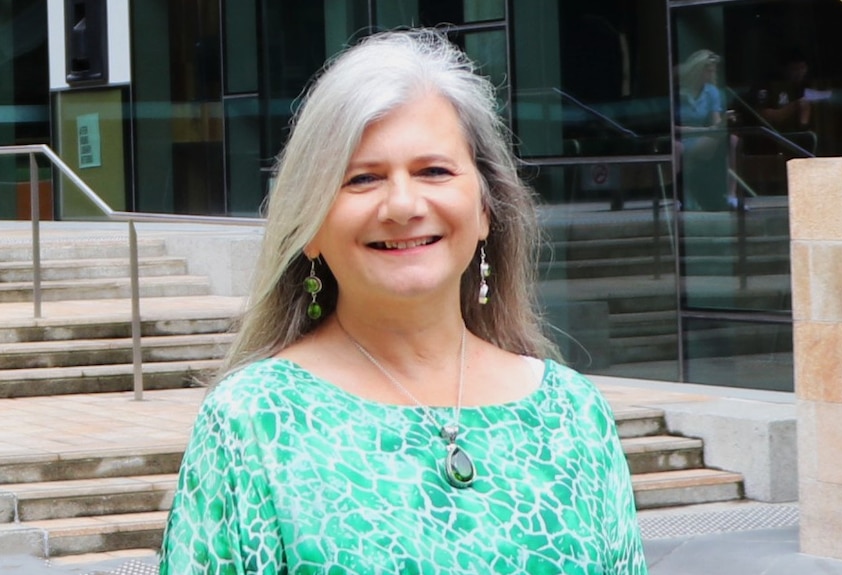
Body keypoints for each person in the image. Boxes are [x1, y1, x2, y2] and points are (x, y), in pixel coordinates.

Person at [159, 28, 647, 574]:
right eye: (363, 178)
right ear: (311, 226)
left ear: (486, 209)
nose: (402, 205)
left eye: (433, 170)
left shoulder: (573, 416)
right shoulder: (253, 423)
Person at [675, 49, 740, 211]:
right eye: (708, 70)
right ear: (697, 70)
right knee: (677, 148)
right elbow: (671, 126)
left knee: (732, 139)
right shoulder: (678, 92)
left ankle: (731, 194)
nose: (711, 74)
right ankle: (679, 196)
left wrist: (723, 122)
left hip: (702, 137)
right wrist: (704, 130)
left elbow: (715, 124)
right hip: (682, 137)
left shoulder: (712, 92)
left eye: (713, 71)